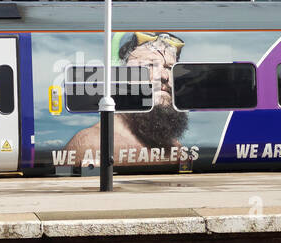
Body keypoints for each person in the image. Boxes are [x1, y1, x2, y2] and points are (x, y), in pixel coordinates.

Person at [62, 32, 189, 164]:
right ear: (120, 75)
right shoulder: (92, 144)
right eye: (149, 65)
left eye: (169, 68)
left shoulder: (174, 147)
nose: (164, 76)